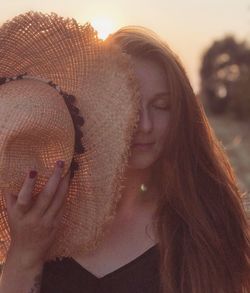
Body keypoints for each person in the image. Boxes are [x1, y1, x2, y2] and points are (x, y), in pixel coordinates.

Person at [0, 21, 249, 293]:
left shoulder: (207, 221)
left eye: (161, 106)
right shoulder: (46, 214)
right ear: (95, 109)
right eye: (129, 104)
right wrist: (24, 253)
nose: (145, 125)